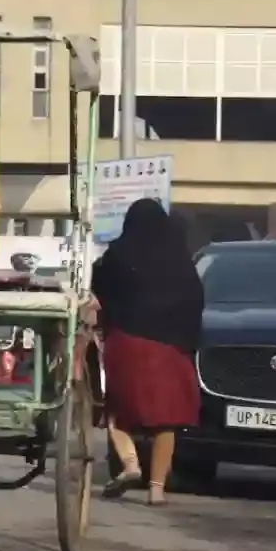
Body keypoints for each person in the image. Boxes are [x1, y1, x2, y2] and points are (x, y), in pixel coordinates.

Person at [91, 198, 202, 506]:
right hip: (171, 348)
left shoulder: (118, 255)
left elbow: (99, 288)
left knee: (118, 411)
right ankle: (156, 489)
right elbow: (196, 304)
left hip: (127, 343)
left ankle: (129, 463)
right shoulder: (181, 261)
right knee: (166, 421)